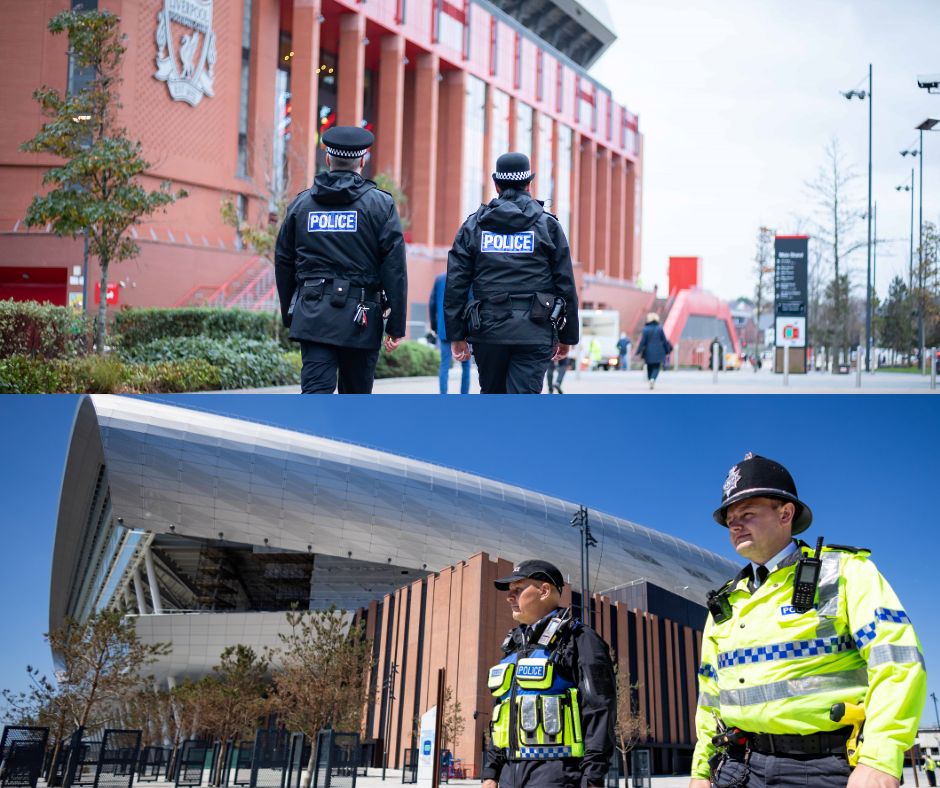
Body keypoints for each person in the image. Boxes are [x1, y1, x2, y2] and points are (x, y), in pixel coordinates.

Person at [691, 453, 926, 788]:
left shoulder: (845, 573)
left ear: (785, 513)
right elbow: (710, 697)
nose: (735, 524)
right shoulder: (726, 603)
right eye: (730, 519)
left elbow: (897, 662)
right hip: (738, 767)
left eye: (747, 513)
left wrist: (880, 758)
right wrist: (701, 770)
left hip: (823, 767)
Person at [274, 126, 407, 393]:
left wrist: (292, 311)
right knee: (355, 408)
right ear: (362, 160)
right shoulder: (380, 206)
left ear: (327, 160)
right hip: (362, 316)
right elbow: (394, 267)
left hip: (312, 314)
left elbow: (283, 260)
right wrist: (396, 325)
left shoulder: (301, 206)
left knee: (315, 400)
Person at [444, 152, 579, 394]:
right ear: (529, 184)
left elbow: (456, 283)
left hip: (487, 331)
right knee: (523, 411)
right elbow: (565, 284)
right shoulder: (548, 226)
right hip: (535, 331)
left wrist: (456, 334)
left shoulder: (473, 226)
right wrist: (568, 336)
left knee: (493, 404)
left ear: (496, 185)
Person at [484, 560, 616, 788]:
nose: (509, 597)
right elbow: (502, 717)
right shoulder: (512, 648)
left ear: (544, 591)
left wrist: (593, 779)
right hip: (508, 778)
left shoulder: (579, 640)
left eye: (518, 589)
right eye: (509, 592)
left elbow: (599, 712)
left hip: (558, 777)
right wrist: (490, 774)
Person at [428, 272, 471, 394]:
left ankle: (443, 396)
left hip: (444, 328)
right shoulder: (466, 276)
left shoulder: (440, 279)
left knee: (444, 365)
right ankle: (464, 396)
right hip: (463, 328)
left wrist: (434, 326)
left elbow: (432, 303)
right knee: (466, 365)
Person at [635, 312, 672, 389]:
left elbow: (643, 342)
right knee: (656, 367)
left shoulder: (645, 329)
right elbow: (664, 341)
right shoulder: (660, 328)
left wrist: (638, 351)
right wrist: (667, 350)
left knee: (649, 366)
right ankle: (653, 379)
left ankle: (650, 380)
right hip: (659, 351)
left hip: (648, 351)